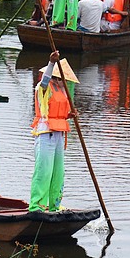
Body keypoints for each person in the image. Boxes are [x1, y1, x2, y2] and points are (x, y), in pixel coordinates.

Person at [30, 50, 78, 212]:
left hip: (58, 134)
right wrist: (51, 63)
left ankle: (54, 204)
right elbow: (44, 83)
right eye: (58, 77)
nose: (59, 80)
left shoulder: (63, 90)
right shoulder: (43, 86)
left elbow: (60, 112)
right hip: (45, 133)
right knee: (44, 171)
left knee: (58, 172)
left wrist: (70, 114)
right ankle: (37, 205)